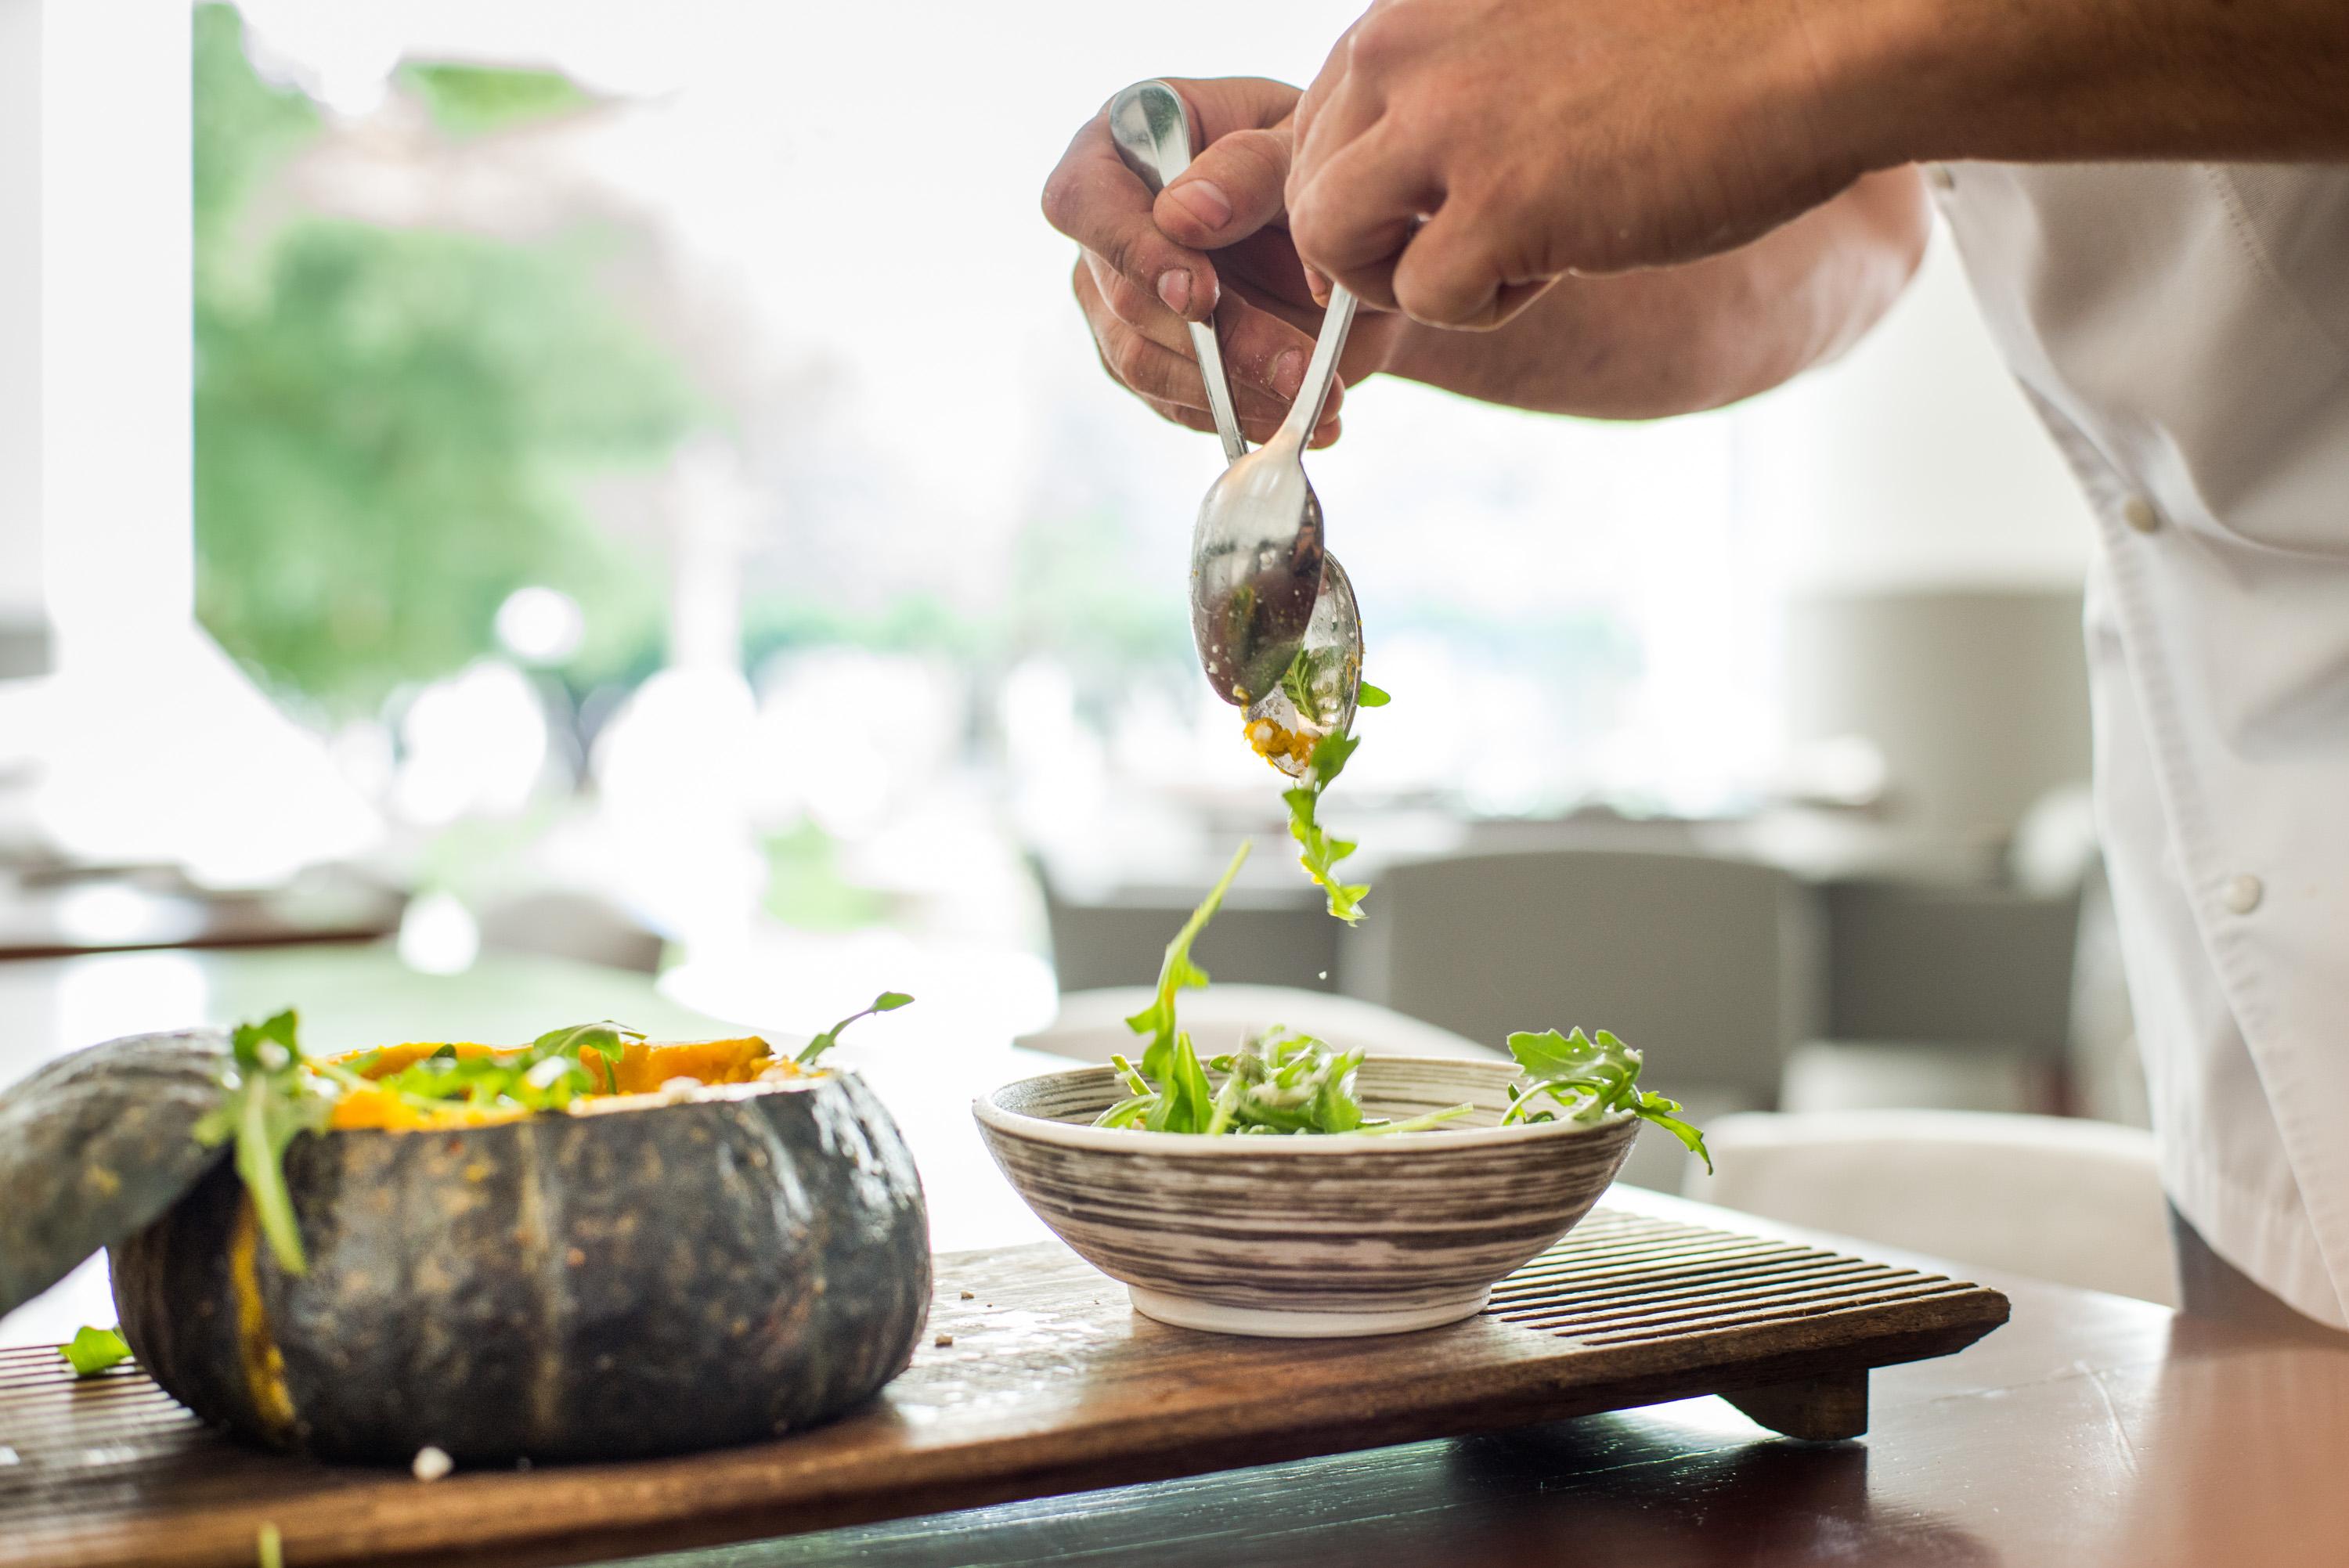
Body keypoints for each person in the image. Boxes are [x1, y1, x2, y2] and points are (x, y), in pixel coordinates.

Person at [1041, 0, 2349, 1336]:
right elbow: (1855, 227)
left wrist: (1793, 47)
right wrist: (1413, 267)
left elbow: (1833, 83)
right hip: (2240, 988)